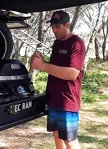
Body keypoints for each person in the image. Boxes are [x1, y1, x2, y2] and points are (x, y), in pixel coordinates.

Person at [30, 10, 85, 149]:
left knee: (70, 141)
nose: (54, 30)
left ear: (67, 25)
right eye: (53, 26)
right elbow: (55, 68)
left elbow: (73, 73)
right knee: (56, 134)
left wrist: (43, 66)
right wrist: (43, 62)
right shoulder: (57, 44)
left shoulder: (76, 43)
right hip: (54, 98)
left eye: (58, 27)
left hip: (68, 100)